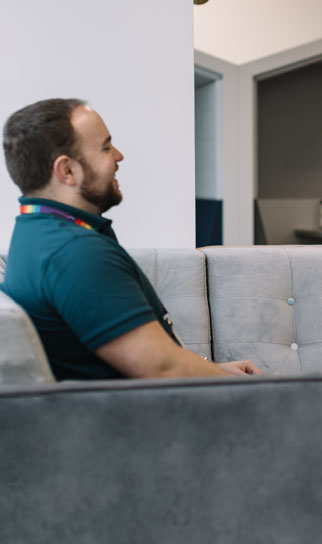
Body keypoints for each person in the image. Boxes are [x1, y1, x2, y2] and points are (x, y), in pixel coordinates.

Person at [0, 98, 261, 380]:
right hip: (148, 418)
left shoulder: (36, 232)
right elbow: (163, 370)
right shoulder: (76, 253)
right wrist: (260, 390)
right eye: (105, 147)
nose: (119, 156)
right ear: (67, 170)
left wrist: (212, 369)